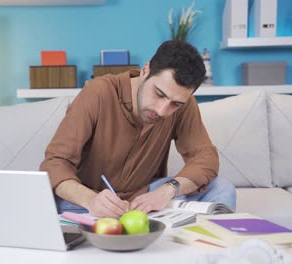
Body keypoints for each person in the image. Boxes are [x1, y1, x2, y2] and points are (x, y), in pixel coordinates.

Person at [40, 40, 236, 218]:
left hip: (143, 201)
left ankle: (200, 252)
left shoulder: (184, 105)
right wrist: (90, 199)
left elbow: (205, 158)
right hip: (88, 202)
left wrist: (168, 190)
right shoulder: (98, 93)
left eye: (175, 104)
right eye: (159, 94)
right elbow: (56, 163)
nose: (162, 110)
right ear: (145, 70)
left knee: (222, 188)